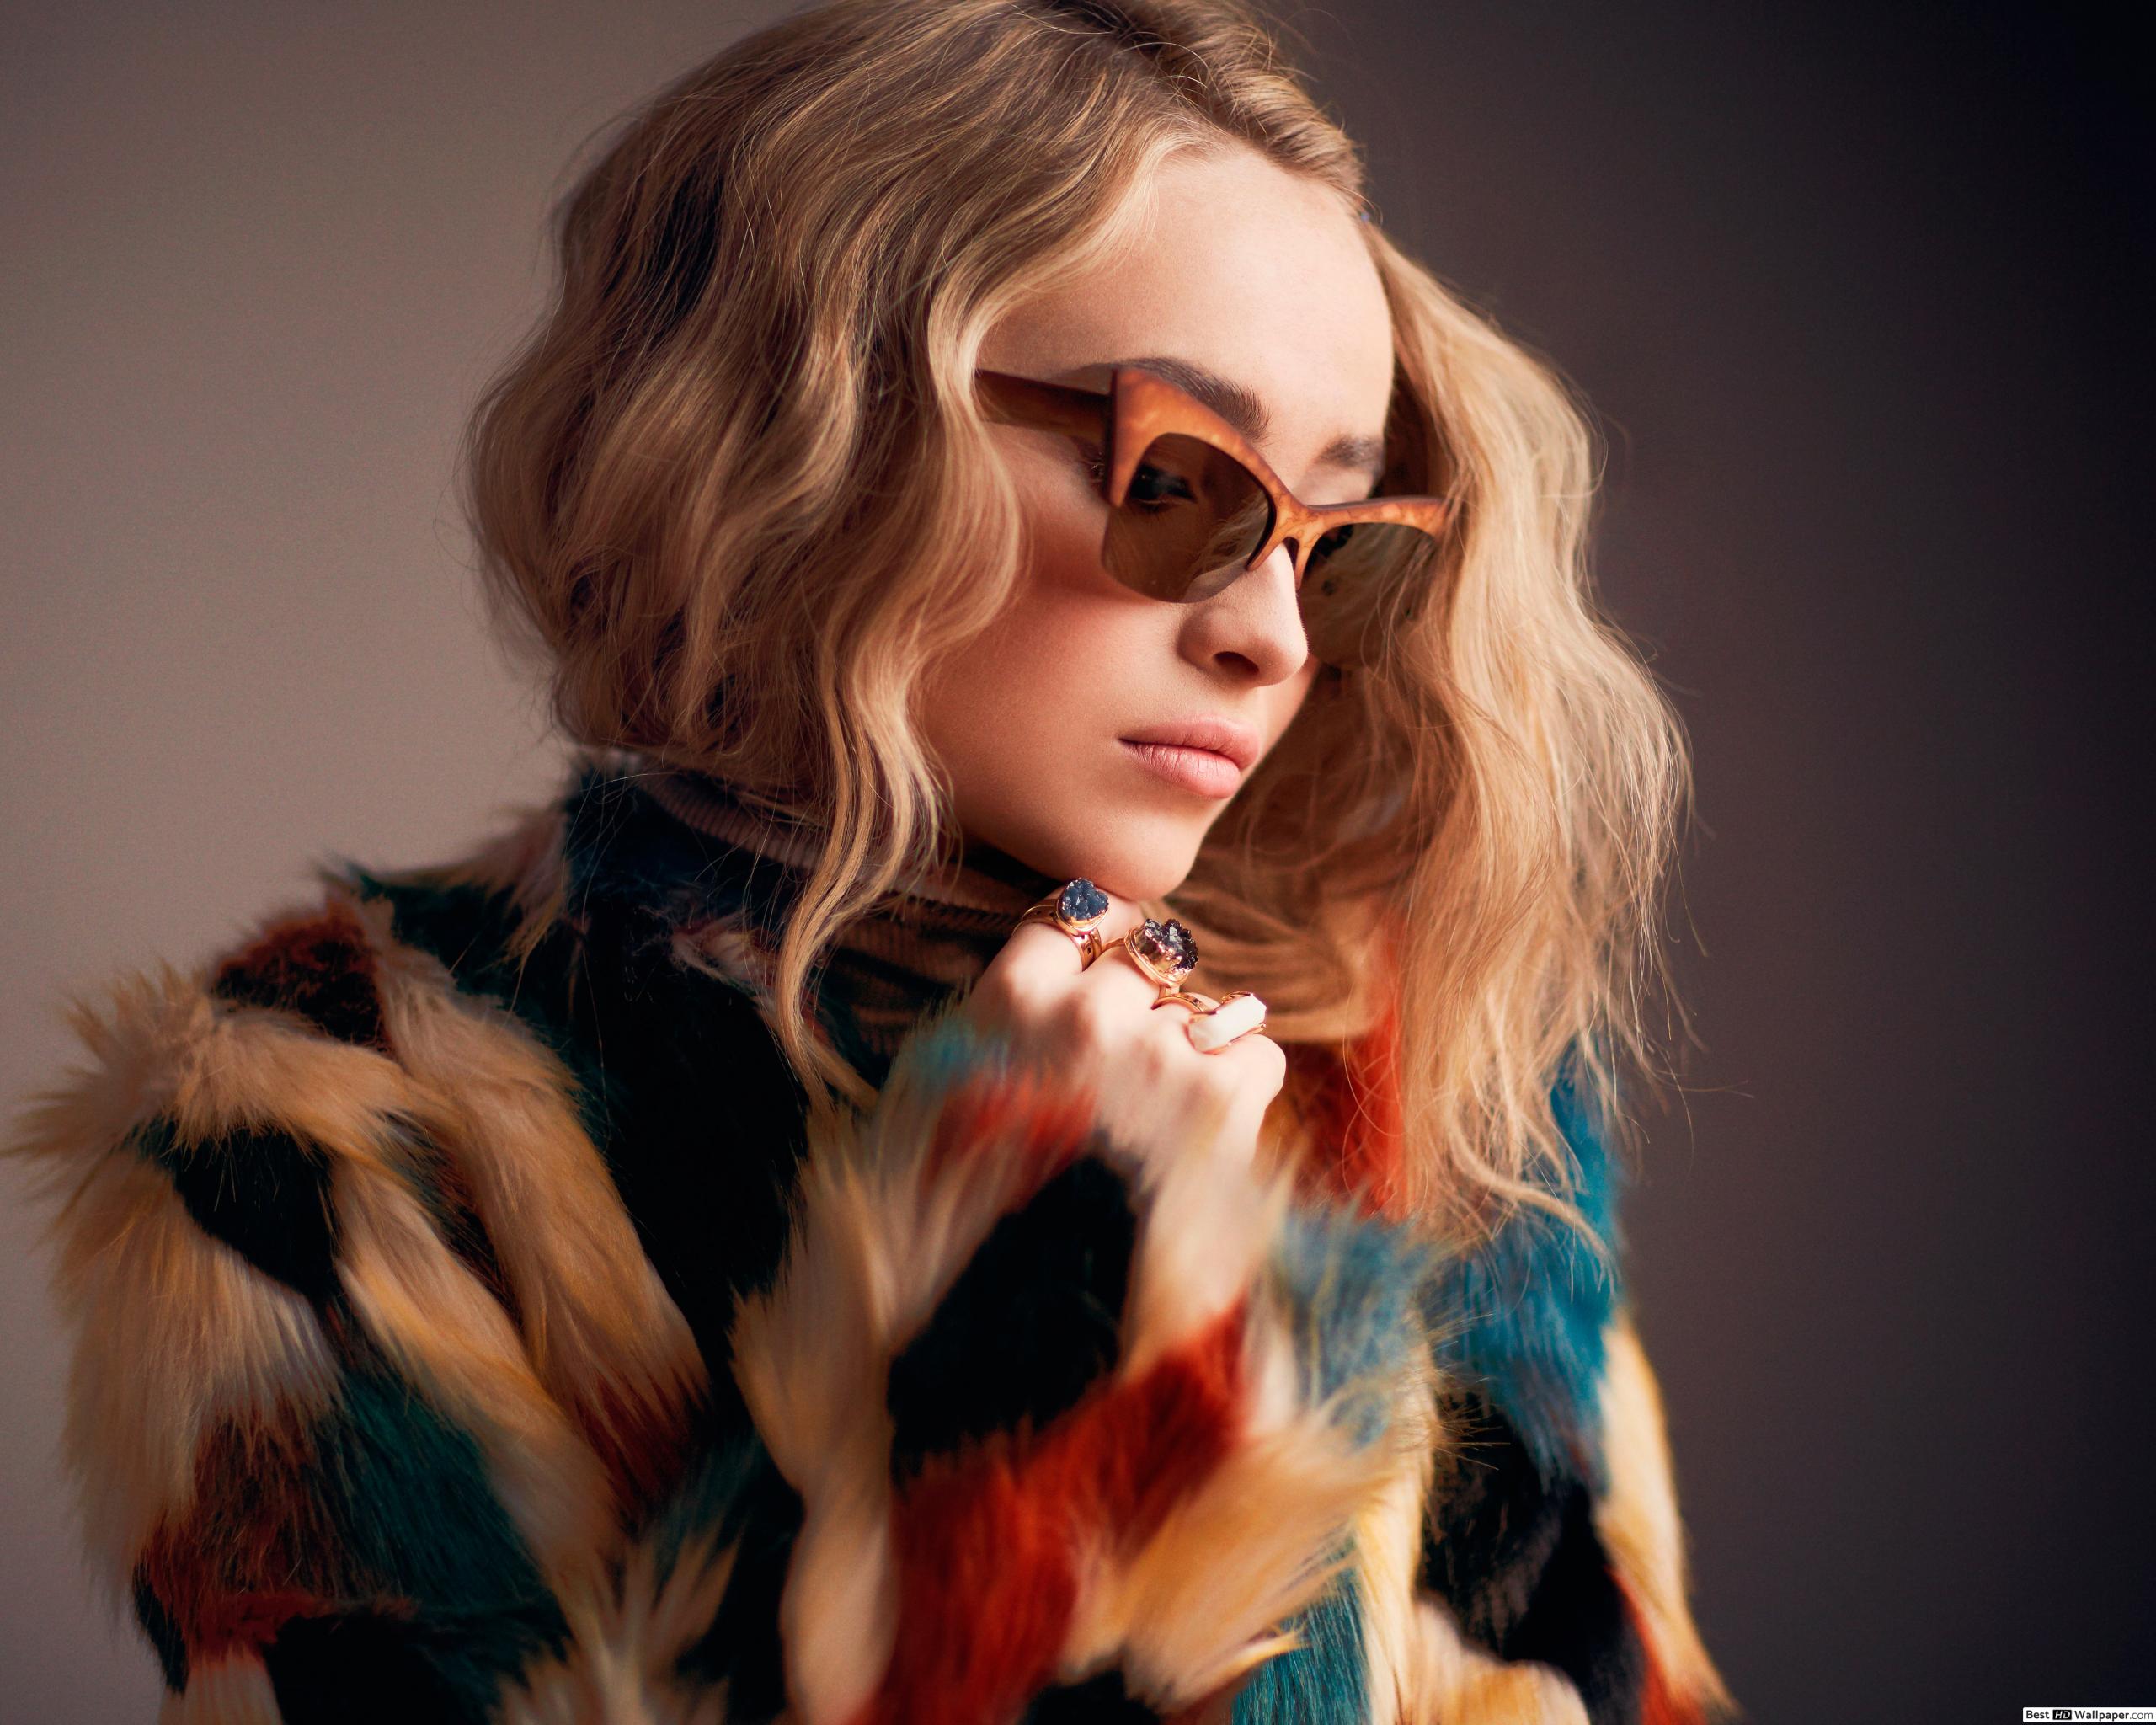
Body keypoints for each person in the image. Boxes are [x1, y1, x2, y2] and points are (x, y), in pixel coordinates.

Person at [8, 1, 1735, 1719]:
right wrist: (1034, 1271)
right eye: (1180, 481)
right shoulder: (318, 1134)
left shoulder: (1411, 1082)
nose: (1270, 634)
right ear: (805, 432)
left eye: (1333, 543)